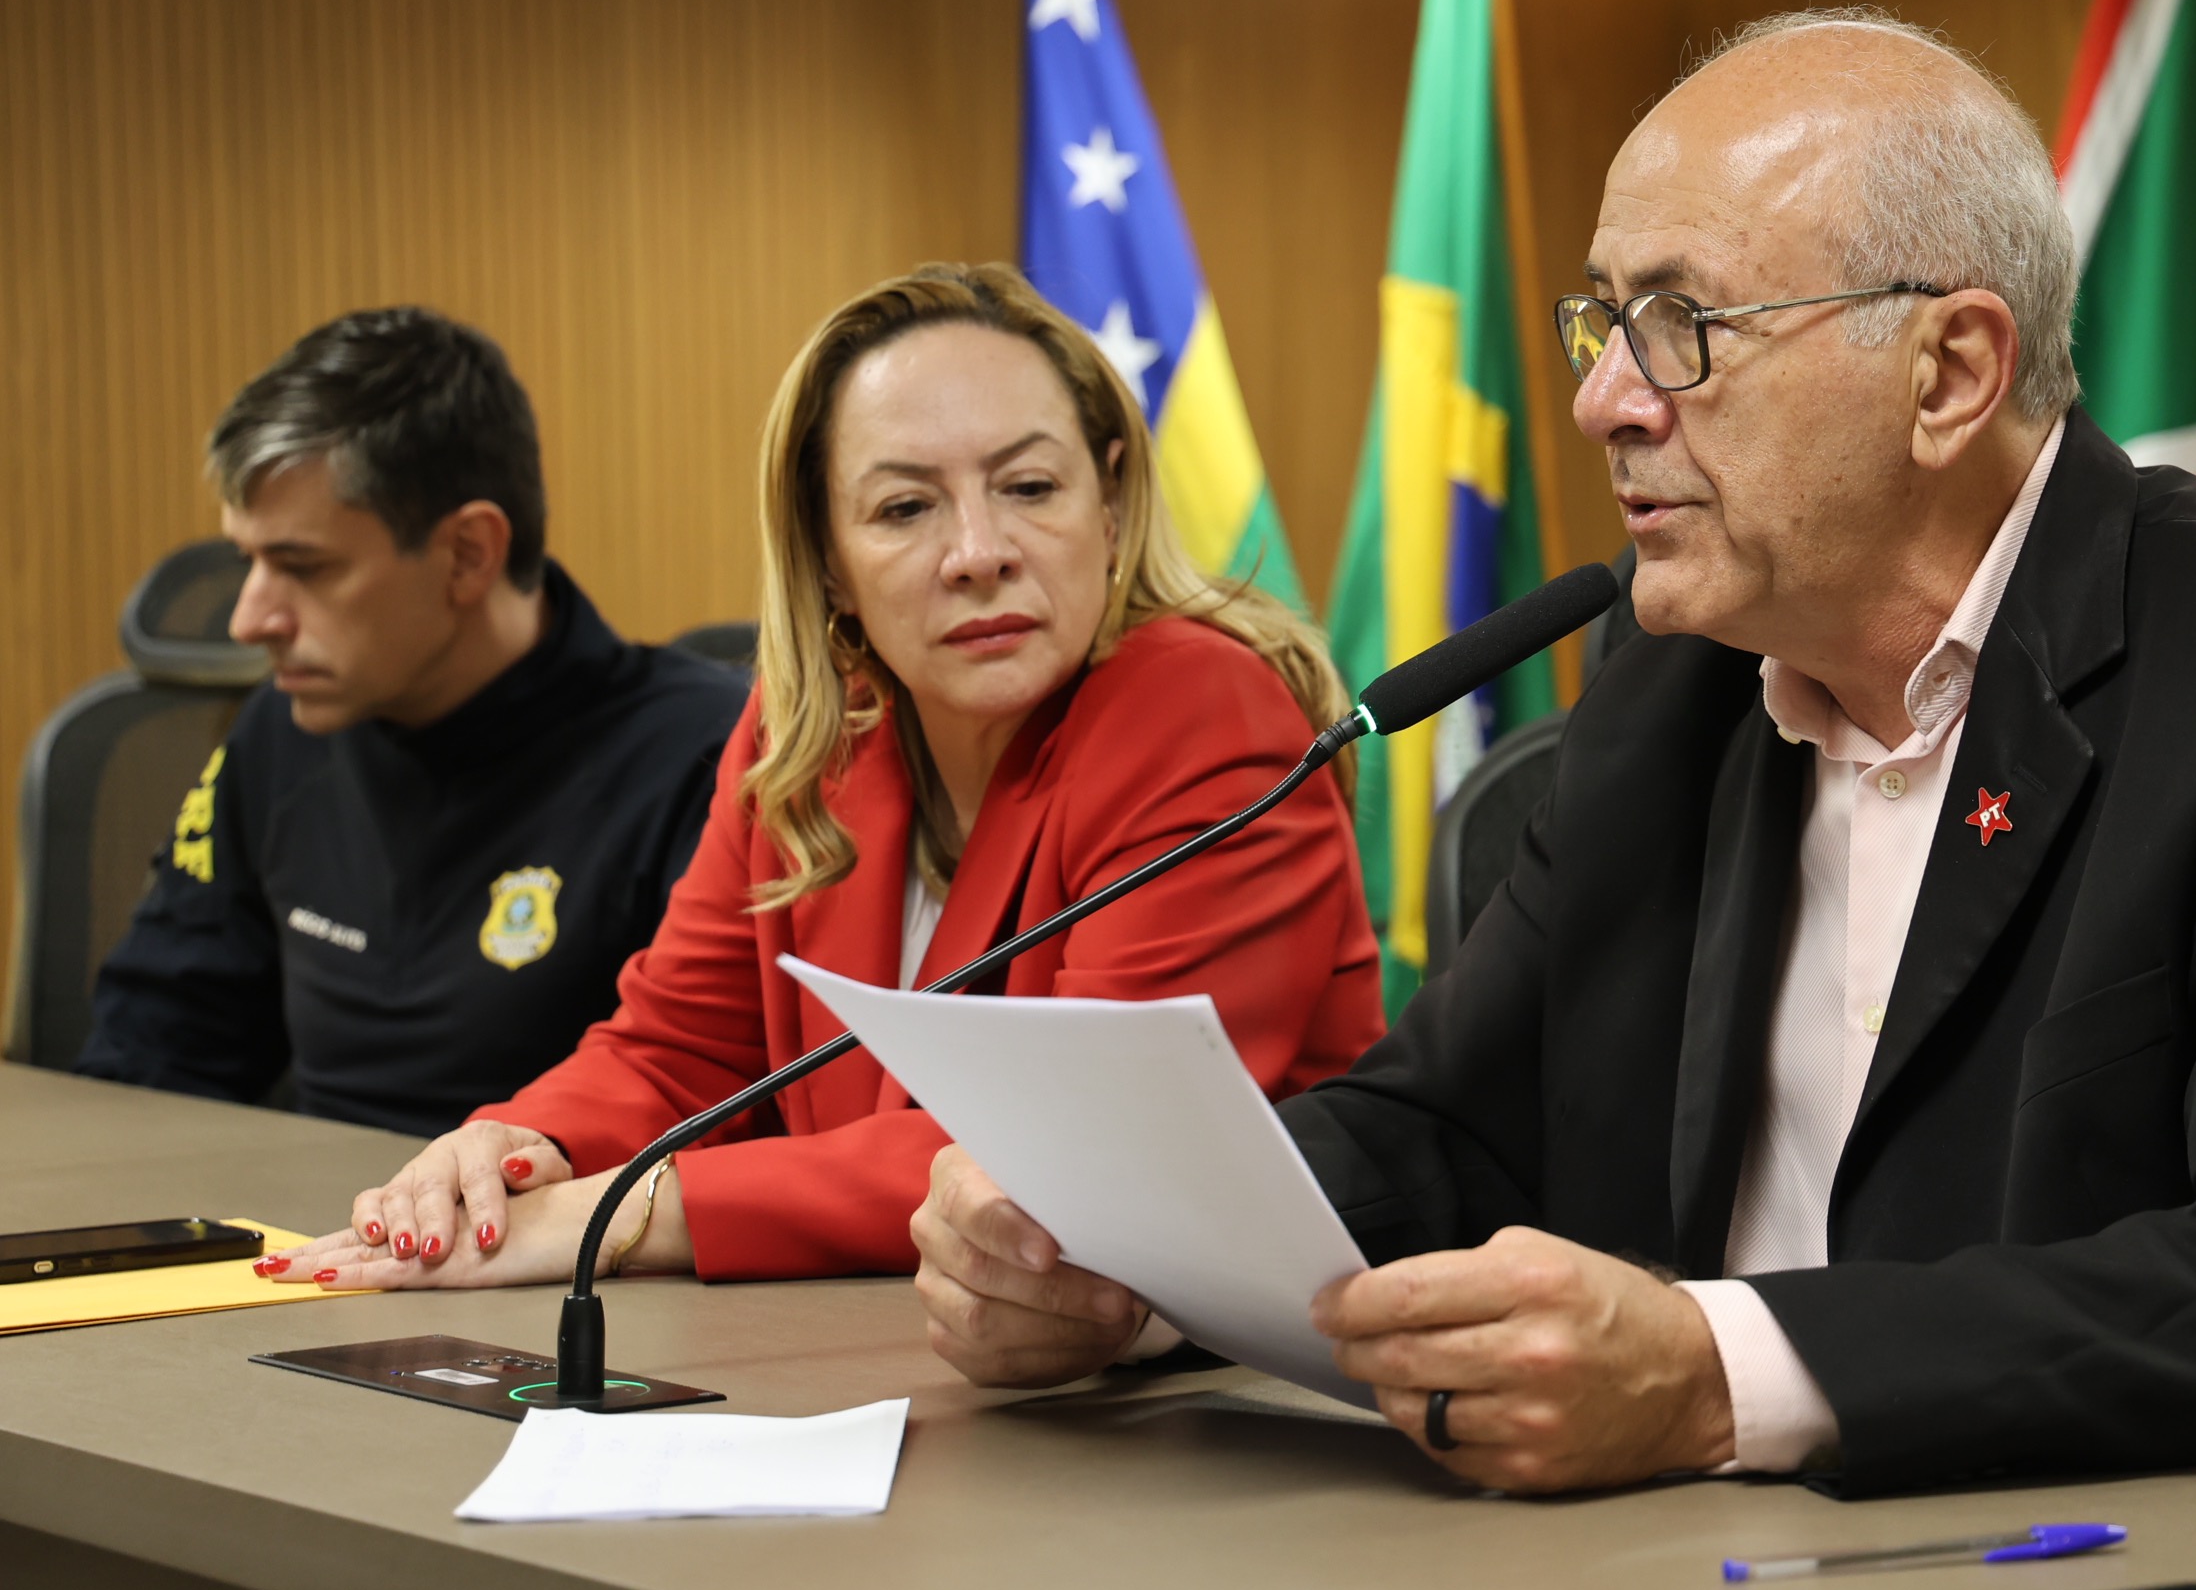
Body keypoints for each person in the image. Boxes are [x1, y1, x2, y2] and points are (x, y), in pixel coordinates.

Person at [908, 11, 2196, 1505]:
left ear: (1951, 371)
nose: (1605, 401)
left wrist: (1718, 1374)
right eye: (1603, 323)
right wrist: (1123, 1261)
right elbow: (1447, 1135)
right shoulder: (1680, 682)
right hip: (1737, 1578)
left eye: (1684, 326)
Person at [267, 263, 1380, 1290]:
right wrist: (512, 1153)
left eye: (1031, 486)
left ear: (1114, 503)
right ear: (829, 562)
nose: (979, 552)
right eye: (905, 508)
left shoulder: (1202, 710)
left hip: (1219, 1371)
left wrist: (627, 1209)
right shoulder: (817, 727)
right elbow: (678, 1046)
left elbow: (1084, 1147)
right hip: (891, 1345)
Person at [77, 309, 747, 1136]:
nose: (248, 621)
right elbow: (150, 1057)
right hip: (304, 1213)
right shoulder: (281, 731)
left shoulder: (706, 759)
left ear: (468, 554)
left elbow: (710, 1110)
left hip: (559, 1213)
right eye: (247, 561)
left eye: (303, 567)